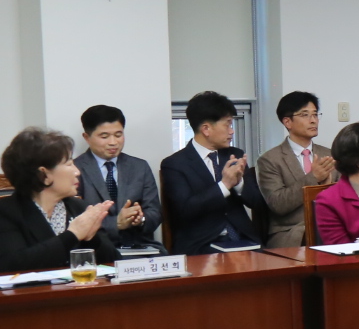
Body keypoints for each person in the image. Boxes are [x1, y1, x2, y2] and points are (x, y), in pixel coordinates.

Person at [0, 127, 118, 272]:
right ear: (44, 175)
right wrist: (73, 235)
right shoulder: (4, 212)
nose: (77, 171)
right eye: (68, 164)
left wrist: (92, 238)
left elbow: (114, 261)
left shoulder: (79, 208)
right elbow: (12, 265)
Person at [160, 91, 268, 254]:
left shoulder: (235, 155)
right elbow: (184, 211)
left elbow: (258, 203)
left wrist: (239, 184)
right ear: (206, 129)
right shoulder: (175, 164)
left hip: (244, 240)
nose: (231, 131)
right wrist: (224, 185)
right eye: (227, 124)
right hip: (201, 245)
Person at [73, 104, 162, 249]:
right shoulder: (75, 170)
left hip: (139, 247)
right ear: (87, 137)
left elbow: (155, 213)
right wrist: (116, 223)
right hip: (96, 250)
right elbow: (75, 221)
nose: (113, 142)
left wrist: (140, 219)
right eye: (104, 136)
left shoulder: (140, 167)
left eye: (118, 135)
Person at [256, 91, 336, 247]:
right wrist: (314, 177)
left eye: (315, 114)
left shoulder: (329, 154)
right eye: (305, 115)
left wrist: (329, 185)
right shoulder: (269, 160)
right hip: (291, 232)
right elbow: (278, 204)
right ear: (287, 122)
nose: (313, 120)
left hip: (329, 227)